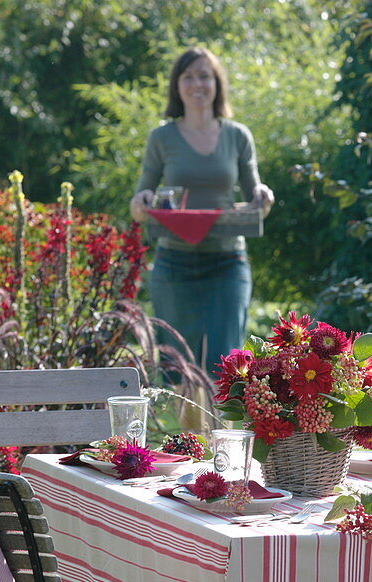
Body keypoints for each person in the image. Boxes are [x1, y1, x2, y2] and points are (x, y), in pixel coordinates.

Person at [130, 46, 273, 378]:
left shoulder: (238, 136)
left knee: (229, 369)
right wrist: (142, 202)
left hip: (228, 264)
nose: (197, 84)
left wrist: (264, 198)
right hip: (174, 265)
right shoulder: (161, 137)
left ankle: (222, 432)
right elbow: (140, 204)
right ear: (177, 86)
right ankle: (186, 433)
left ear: (217, 83)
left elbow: (257, 200)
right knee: (179, 370)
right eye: (189, 76)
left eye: (204, 76)